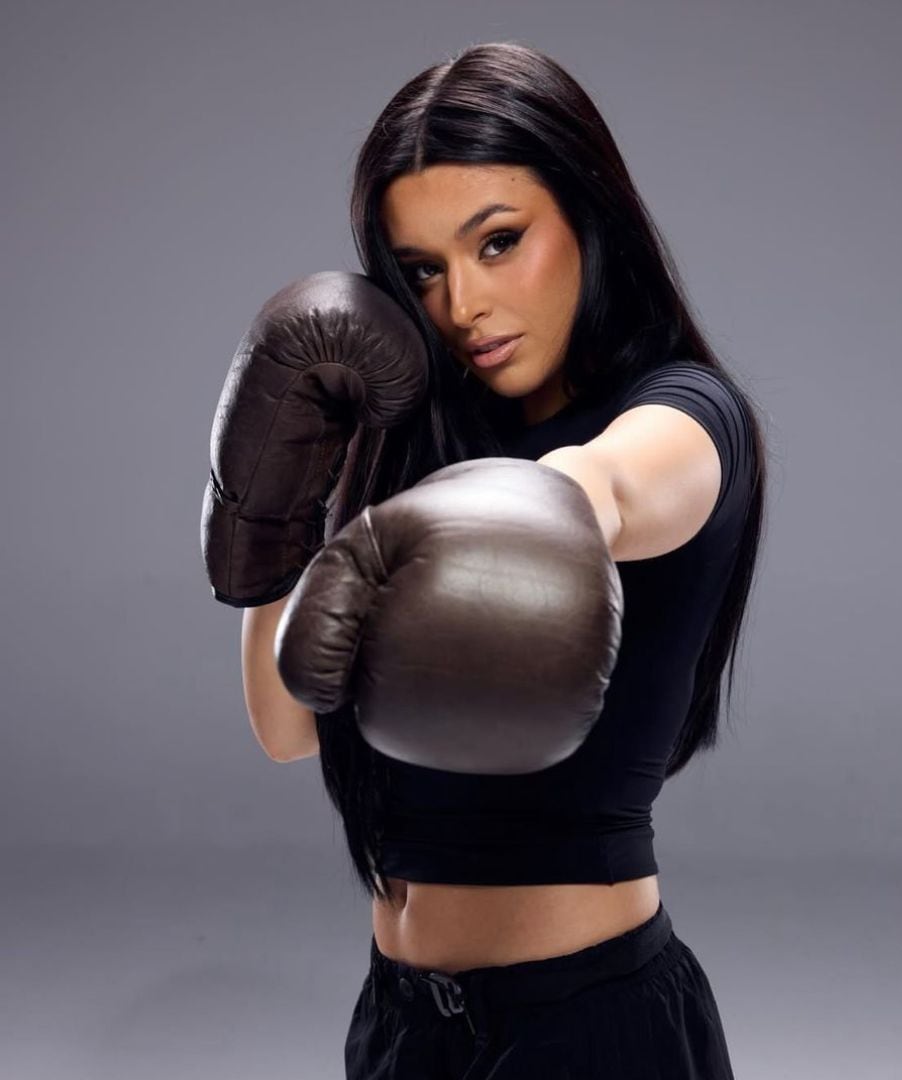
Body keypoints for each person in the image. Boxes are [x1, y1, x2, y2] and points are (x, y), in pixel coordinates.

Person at [199, 42, 766, 1079]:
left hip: (588, 1029)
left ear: (588, 218)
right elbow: (287, 725)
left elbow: (607, 487)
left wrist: (549, 509)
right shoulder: (408, 440)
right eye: (423, 270)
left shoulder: (686, 417)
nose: (462, 306)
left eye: (498, 243)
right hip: (402, 1024)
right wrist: (274, 504)